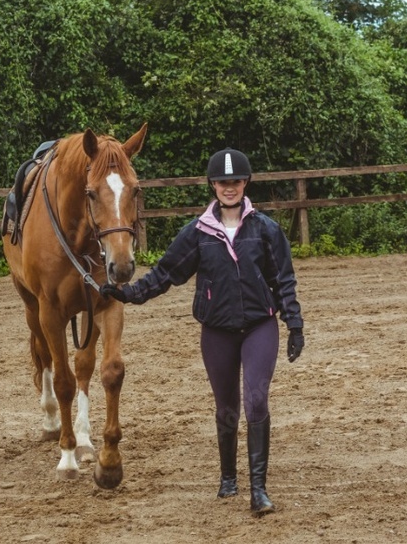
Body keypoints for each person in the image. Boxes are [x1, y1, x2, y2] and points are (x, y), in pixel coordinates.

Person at [101, 147, 304, 515]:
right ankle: (229, 478)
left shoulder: (266, 230)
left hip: (260, 326)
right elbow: (165, 274)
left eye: (236, 181)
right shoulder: (197, 233)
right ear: (213, 185)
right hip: (217, 331)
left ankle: (259, 489)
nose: (230, 188)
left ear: (245, 183)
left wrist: (294, 323)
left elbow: (283, 279)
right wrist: (126, 293)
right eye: (224, 182)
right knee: (227, 408)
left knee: (256, 399)